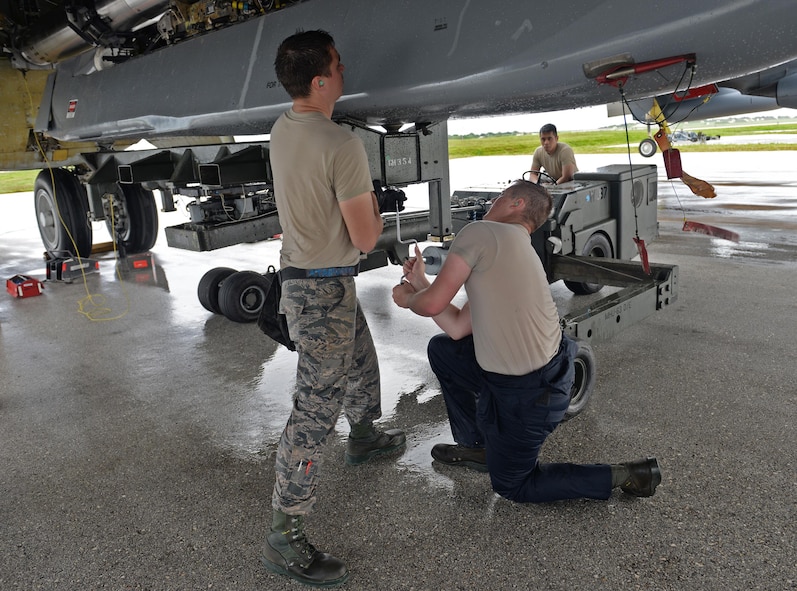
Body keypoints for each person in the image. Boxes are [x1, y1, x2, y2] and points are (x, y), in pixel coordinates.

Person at [392, 179, 661, 504]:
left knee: (515, 486)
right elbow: (458, 327)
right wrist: (420, 282)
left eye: (499, 197)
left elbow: (432, 305)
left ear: (516, 203)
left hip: (531, 394)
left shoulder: (483, 232)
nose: (491, 204)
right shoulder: (515, 249)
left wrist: (408, 297)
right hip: (540, 380)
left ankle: (626, 474)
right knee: (443, 350)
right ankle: (479, 449)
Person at [263, 29, 406, 587]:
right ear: (321, 81)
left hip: (311, 280)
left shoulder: (283, 126)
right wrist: (372, 203)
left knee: (362, 360)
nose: (346, 72)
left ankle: (365, 435)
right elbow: (366, 237)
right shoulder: (342, 145)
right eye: (339, 66)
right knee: (313, 413)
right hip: (322, 289)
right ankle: (284, 537)